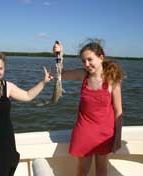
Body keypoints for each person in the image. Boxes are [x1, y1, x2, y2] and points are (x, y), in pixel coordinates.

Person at [53, 40, 125, 176]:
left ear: (101, 58)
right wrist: (59, 55)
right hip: (84, 132)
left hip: (106, 135)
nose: (86, 64)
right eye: (83, 61)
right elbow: (60, 75)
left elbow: (118, 111)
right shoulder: (83, 75)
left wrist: (117, 138)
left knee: (102, 169)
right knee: (82, 170)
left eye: (90, 59)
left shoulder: (112, 79)